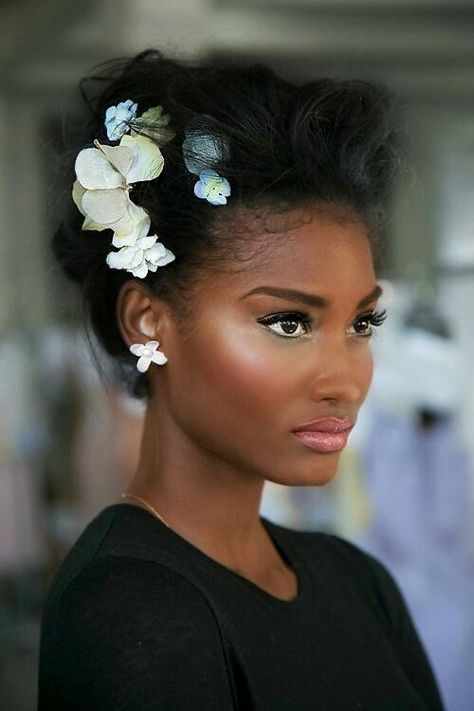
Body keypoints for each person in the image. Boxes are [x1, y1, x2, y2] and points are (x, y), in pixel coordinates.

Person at [37, 49, 445, 710]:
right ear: (148, 321)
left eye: (363, 323)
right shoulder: (132, 607)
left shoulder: (358, 581)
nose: (345, 378)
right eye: (288, 322)